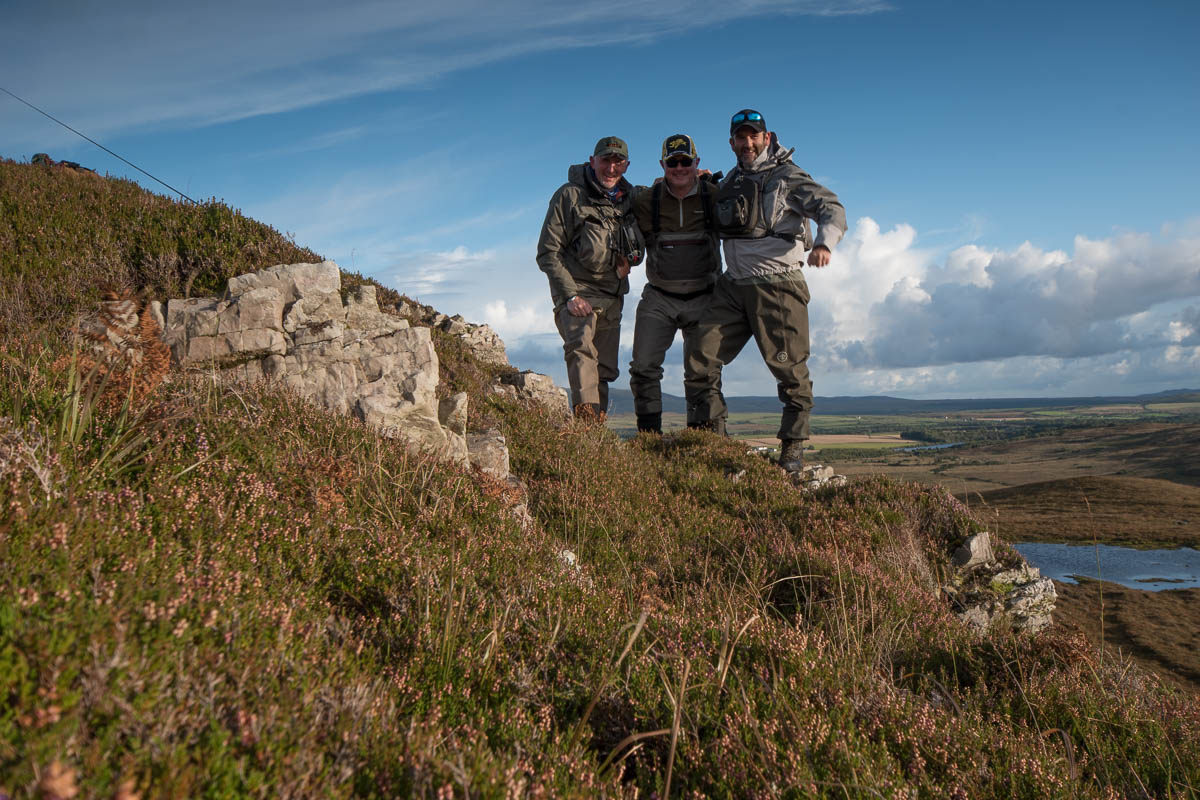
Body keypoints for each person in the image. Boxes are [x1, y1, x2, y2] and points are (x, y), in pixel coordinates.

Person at [684, 109, 846, 472]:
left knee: (789, 368)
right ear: (731, 143)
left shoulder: (788, 176)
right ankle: (714, 438)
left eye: (753, 136)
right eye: (741, 137)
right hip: (733, 285)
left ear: (767, 138)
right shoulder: (730, 180)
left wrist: (825, 243)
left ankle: (792, 449)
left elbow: (831, 208)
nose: (748, 143)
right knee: (700, 353)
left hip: (778, 284)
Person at [537, 137, 644, 420]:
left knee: (604, 369)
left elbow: (667, 188)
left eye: (618, 162)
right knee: (582, 351)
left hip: (612, 296)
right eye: (605, 160)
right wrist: (570, 295)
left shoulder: (630, 199)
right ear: (592, 161)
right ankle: (586, 426)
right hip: (578, 292)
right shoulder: (569, 195)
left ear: (627, 165)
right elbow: (548, 252)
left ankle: (595, 433)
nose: (611, 168)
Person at [627, 134, 721, 435]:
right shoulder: (645, 200)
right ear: (662, 165)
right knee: (643, 367)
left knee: (704, 372)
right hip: (659, 297)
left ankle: (704, 439)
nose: (679, 168)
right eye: (672, 162)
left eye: (685, 161)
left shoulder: (715, 195)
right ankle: (649, 439)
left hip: (705, 297)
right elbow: (613, 197)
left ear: (696, 162)